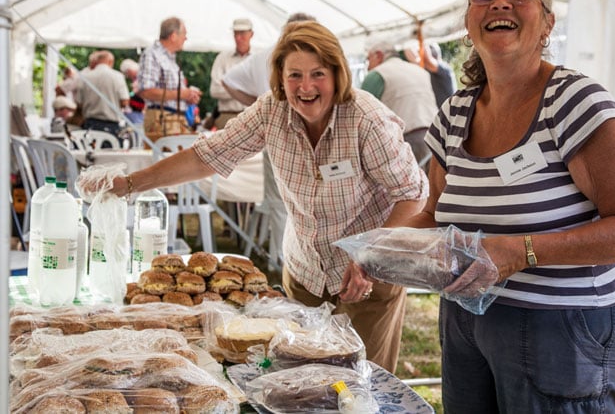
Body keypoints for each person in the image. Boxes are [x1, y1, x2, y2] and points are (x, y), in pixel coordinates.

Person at [79, 21, 428, 373]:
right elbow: (207, 155)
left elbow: (412, 195)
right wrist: (128, 184)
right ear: (279, 77)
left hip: (367, 277)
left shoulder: (366, 118)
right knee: (301, 387)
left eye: (318, 74)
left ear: (338, 75)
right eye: (294, 75)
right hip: (306, 271)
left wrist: (369, 255)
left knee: (364, 385)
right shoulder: (271, 111)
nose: (305, 87)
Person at [395, 0, 615, 413]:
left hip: (561, 330)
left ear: (546, 23)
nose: (501, 3)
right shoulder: (455, 112)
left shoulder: (574, 101)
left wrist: (521, 251)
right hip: (465, 318)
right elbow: (433, 213)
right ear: (468, 20)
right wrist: (381, 249)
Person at [221, 12, 316, 270]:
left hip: (282, 137)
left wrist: (256, 104)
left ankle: (282, 260)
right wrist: (260, 107)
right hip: (300, 137)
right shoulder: (292, 53)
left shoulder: (266, 54)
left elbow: (228, 81)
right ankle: (290, 261)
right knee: (293, 202)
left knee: (280, 202)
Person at [361, 39, 436, 165]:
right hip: (435, 136)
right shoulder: (420, 70)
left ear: (379, 55)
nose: (368, 66)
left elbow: (361, 114)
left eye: (368, 60)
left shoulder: (377, 75)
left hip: (407, 139)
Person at [138, 17, 202, 134]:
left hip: (172, 119)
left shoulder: (169, 58)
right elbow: (145, 91)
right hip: (161, 119)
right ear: (173, 36)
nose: (185, 38)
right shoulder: (152, 54)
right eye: (184, 34)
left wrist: (187, 97)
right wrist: (180, 94)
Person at [207, 17, 254, 130]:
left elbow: (263, 91)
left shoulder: (259, 58)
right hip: (227, 117)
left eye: (242, 33)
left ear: (251, 34)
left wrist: (230, 88)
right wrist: (247, 90)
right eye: (235, 33)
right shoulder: (222, 58)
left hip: (253, 118)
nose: (238, 38)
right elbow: (215, 91)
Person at [73, 50, 130, 140]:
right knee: (112, 152)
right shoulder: (117, 76)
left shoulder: (85, 77)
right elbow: (124, 102)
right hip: (111, 127)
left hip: (90, 125)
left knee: (89, 152)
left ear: (96, 62)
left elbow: (79, 103)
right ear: (110, 62)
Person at [405, 41, 457, 107]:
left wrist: (423, 40)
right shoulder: (429, 69)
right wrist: (407, 41)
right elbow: (413, 58)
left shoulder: (445, 70)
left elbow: (427, 60)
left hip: (451, 114)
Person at [119, 58, 145, 125]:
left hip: (142, 112)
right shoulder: (137, 77)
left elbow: (136, 93)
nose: (127, 76)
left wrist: (130, 94)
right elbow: (133, 93)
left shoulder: (142, 75)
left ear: (129, 70)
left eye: (126, 74)